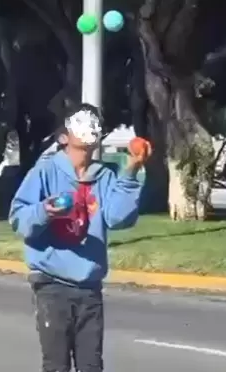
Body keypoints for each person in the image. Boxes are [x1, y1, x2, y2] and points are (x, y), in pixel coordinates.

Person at [9, 103, 149, 372]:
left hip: (89, 287)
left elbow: (118, 218)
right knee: (56, 365)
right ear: (64, 136)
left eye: (94, 124)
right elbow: (19, 219)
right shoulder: (45, 171)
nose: (89, 128)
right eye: (81, 123)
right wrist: (45, 211)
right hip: (51, 285)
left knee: (91, 365)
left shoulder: (106, 175)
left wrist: (131, 170)